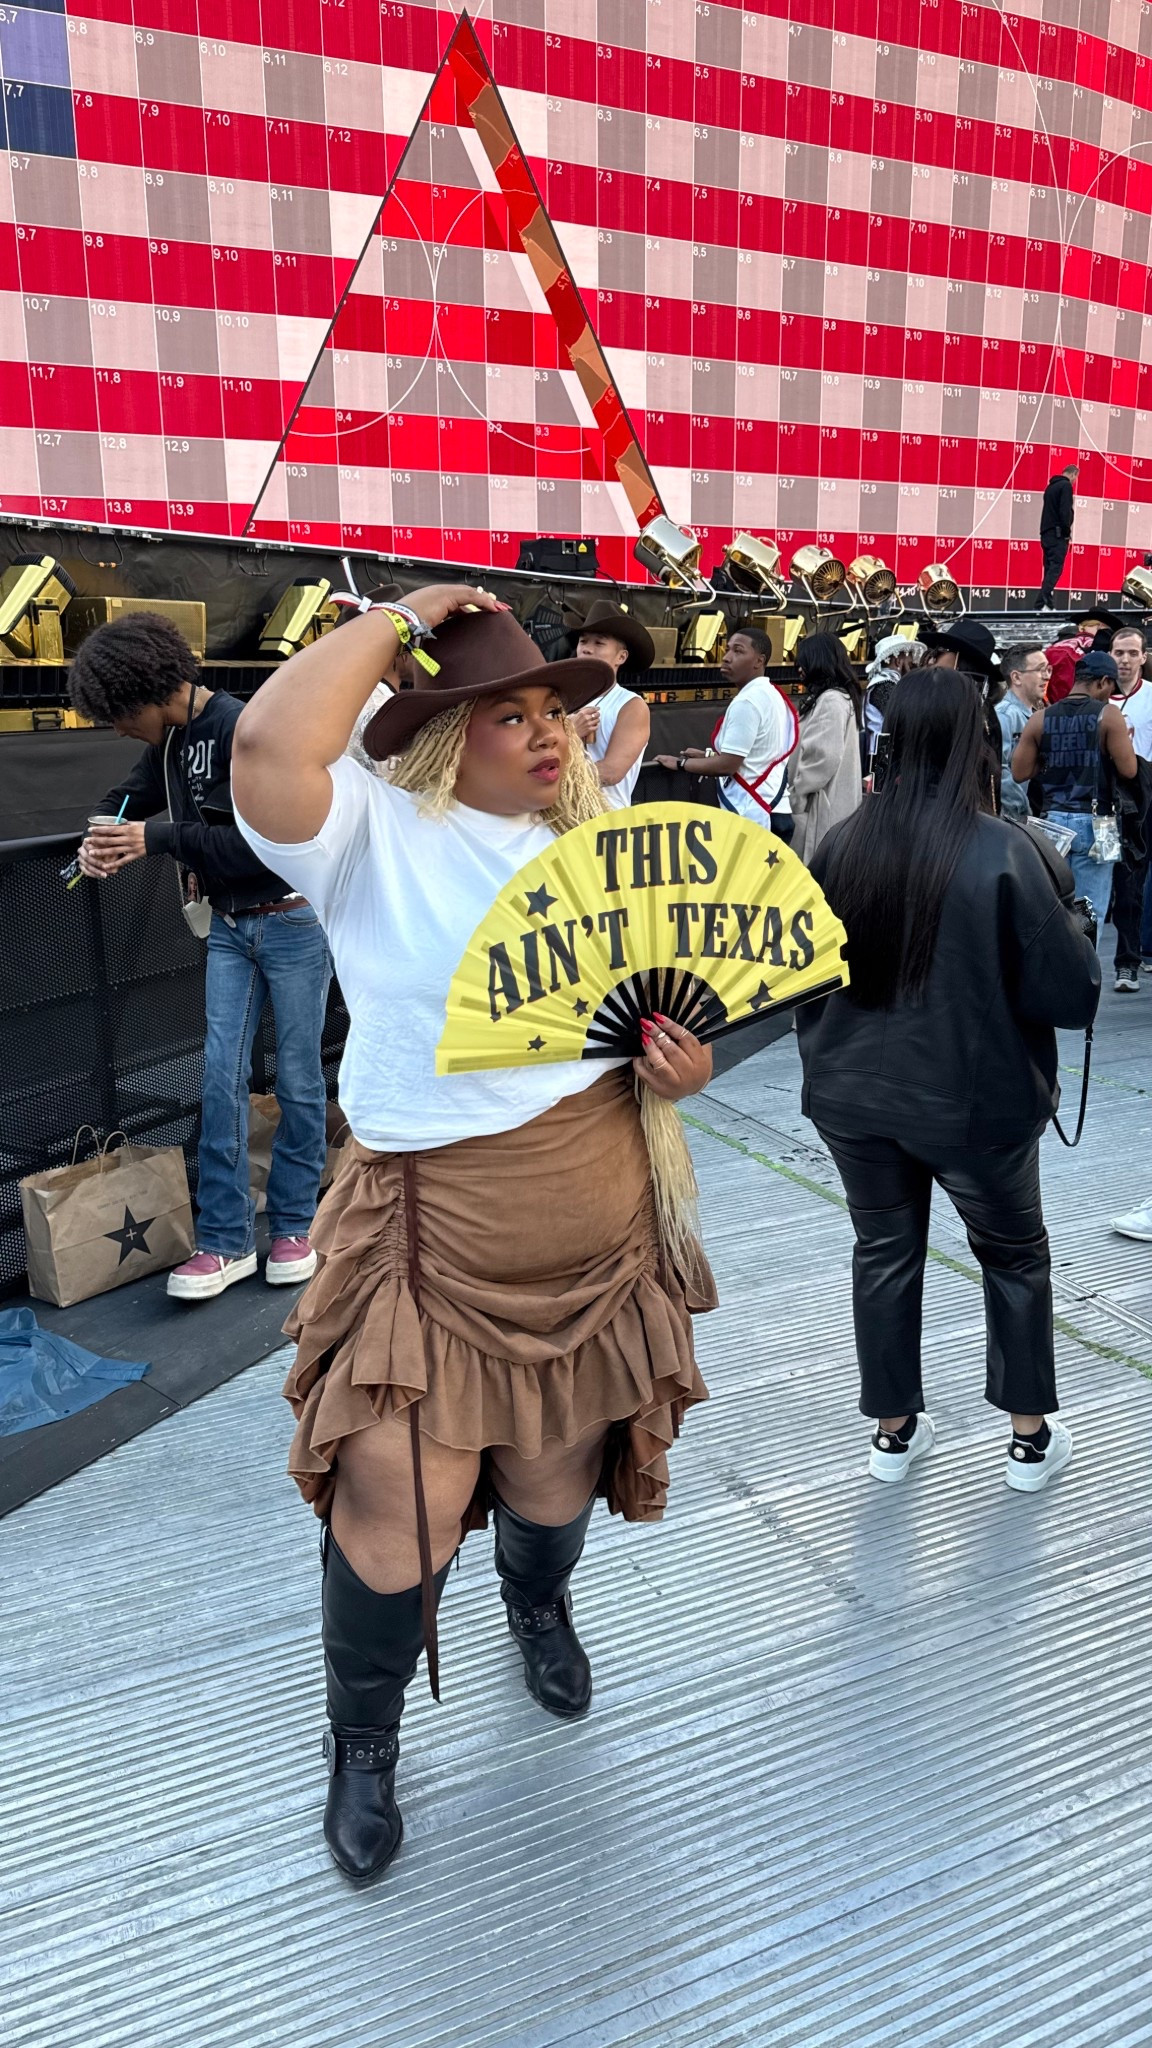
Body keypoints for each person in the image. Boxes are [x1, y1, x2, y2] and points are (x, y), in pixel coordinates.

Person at [229, 587, 716, 1886]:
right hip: (428, 1239)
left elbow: (645, 1014)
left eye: (553, 706)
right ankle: (365, 1741)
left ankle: (536, 1601)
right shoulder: (368, 834)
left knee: (556, 1484)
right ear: (444, 737)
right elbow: (270, 753)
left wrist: (677, 1064)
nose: (551, 732)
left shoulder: (593, 834)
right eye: (510, 715)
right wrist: (402, 620)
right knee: (401, 1497)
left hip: (596, 1231)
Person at [796, 667, 1100, 1492]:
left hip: (854, 1096)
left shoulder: (842, 843)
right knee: (1013, 1257)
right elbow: (1069, 995)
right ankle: (1028, 1441)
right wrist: (1073, 923)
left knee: (883, 1252)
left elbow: (801, 978)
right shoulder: (1005, 850)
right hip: (976, 1104)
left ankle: (894, 1434)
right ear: (978, 741)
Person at [68, 612, 332, 1301]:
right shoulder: (173, 739)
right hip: (231, 927)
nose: (120, 729)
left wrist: (150, 839)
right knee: (220, 1081)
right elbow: (129, 793)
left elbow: (265, 842)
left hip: (291, 922)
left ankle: (294, 1225)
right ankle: (224, 1242)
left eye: (119, 715)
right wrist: (101, 834)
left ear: (146, 693)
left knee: (300, 1079)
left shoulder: (244, 729)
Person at [1011, 650, 1138, 938]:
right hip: (1097, 823)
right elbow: (1128, 770)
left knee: (1052, 906)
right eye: (1111, 688)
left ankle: (1057, 972)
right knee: (1087, 911)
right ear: (1103, 682)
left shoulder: (1040, 718)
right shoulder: (1109, 715)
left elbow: (1020, 772)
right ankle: (1086, 972)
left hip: (1050, 822)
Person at [653, 625, 798, 839]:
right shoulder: (772, 694)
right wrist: (708, 757)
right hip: (775, 809)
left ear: (760, 660)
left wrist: (680, 764)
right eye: (727, 649)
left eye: (738, 651)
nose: (727, 657)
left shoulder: (747, 702)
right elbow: (758, 755)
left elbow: (728, 765)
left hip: (754, 814)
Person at [565, 599, 653, 809]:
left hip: (605, 821)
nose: (586, 649)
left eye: (599, 643)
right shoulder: (562, 698)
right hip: (557, 819)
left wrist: (551, 780)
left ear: (621, 657)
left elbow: (611, 772)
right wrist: (571, 732)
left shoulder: (631, 705)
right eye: (583, 641)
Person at [787, 632, 863, 864]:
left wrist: (797, 799)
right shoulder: (840, 698)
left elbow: (822, 757)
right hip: (829, 806)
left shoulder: (830, 700)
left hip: (818, 810)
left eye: (804, 661)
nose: (799, 667)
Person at [1107, 625, 1152, 992]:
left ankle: (1130, 961)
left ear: (1143, 657)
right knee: (1118, 883)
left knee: (1136, 884)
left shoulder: (1151, 697)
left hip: (1146, 799)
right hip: (1106, 802)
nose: (1124, 660)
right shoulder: (1098, 698)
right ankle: (1121, 961)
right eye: (1119, 653)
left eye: (1131, 653)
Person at [995, 643, 1050, 820]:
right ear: (1017, 677)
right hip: (1014, 820)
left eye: (1048, 669)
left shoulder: (1037, 714)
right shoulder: (1004, 716)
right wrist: (1022, 812)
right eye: (1040, 670)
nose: (1046, 676)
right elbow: (999, 769)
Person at [862, 634, 923, 775]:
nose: (912, 663)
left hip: (882, 751)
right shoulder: (884, 685)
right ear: (898, 661)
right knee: (881, 793)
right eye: (909, 659)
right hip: (881, 754)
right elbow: (901, 719)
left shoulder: (887, 684)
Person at [1037, 462, 1078, 610]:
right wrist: (1067, 533)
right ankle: (1042, 602)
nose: (1074, 482)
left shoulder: (1050, 487)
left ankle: (1044, 604)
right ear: (1073, 474)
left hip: (1046, 534)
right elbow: (1064, 511)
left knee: (1049, 569)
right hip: (1057, 535)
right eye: (1075, 478)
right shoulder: (1066, 486)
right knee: (1056, 569)